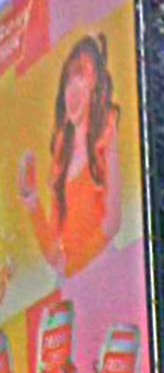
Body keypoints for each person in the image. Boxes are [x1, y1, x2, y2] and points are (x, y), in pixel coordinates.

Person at [18, 35, 122, 278]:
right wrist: (32, 202)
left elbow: (112, 222)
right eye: (69, 80)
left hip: (103, 273)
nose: (73, 88)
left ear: (95, 87)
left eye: (82, 77)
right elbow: (55, 253)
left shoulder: (106, 136)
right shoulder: (61, 158)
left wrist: (74, 267)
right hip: (72, 284)